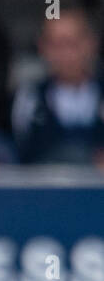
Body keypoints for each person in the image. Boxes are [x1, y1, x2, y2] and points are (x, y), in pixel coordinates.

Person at [12, 9, 104, 167]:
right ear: (42, 48)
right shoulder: (30, 99)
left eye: (72, 44)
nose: (65, 54)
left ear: (91, 43)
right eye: (56, 45)